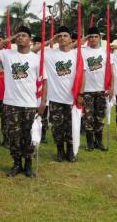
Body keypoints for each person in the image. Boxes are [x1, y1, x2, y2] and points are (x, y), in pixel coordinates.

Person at [0, 25, 47, 178]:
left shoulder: (36, 58)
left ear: (30, 40)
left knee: (29, 135)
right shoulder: (6, 54)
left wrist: (43, 102)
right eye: (18, 35)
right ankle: (17, 164)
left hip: (30, 104)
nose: (20, 37)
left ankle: (28, 165)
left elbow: (44, 81)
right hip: (11, 103)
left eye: (24, 35)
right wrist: (6, 40)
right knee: (14, 135)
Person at [44, 26, 79, 162]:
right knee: (57, 127)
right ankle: (60, 150)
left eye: (65, 35)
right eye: (60, 36)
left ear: (71, 38)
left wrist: (80, 94)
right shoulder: (49, 53)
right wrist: (50, 40)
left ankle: (70, 150)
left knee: (71, 126)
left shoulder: (76, 54)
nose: (62, 38)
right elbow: (33, 51)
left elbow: (83, 75)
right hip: (55, 98)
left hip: (72, 98)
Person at [81, 27, 112, 151]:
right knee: (88, 117)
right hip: (87, 90)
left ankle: (99, 141)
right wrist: (83, 39)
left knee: (99, 117)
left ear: (100, 38)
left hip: (101, 90)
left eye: (95, 36)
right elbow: (70, 48)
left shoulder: (105, 52)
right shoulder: (82, 51)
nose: (93, 39)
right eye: (91, 37)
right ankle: (90, 143)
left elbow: (111, 70)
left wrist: (112, 87)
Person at [32, 34, 49, 144]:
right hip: (34, 89)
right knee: (35, 114)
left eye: (39, 43)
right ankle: (34, 133)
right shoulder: (32, 55)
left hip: (46, 87)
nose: (37, 45)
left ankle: (43, 134)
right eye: (35, 43)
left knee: (44, 112)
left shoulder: (47, 55)